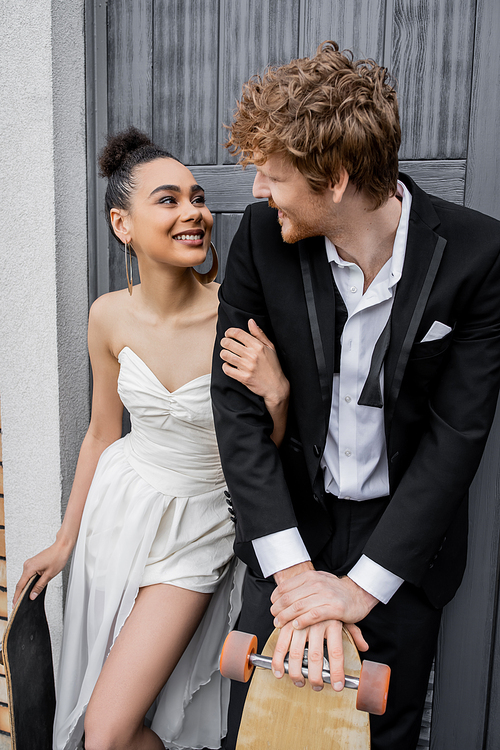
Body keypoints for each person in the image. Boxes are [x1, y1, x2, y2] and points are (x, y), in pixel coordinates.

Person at [211, 41, 500, 750]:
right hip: (289, 531)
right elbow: (237, 410)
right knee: (256, 732)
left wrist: (359, 591)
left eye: (273, 176)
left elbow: (455, 438)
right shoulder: (260, 238)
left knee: (382, 736)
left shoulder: (478, 255)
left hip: (400, 544)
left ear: (335, 179)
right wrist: (300, 578)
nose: (256, 192)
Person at [14, 128, 290, 750]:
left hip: (199, 527)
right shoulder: (107, 315)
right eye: (168, 200)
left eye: (196, 198)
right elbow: (102, 432)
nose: (194, 211)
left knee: (108, 733)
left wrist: (277, 397)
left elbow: (265, 454)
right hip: (120, 509)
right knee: (98, 718)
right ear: (123, 223)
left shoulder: (238, 315)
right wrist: (64, 540)